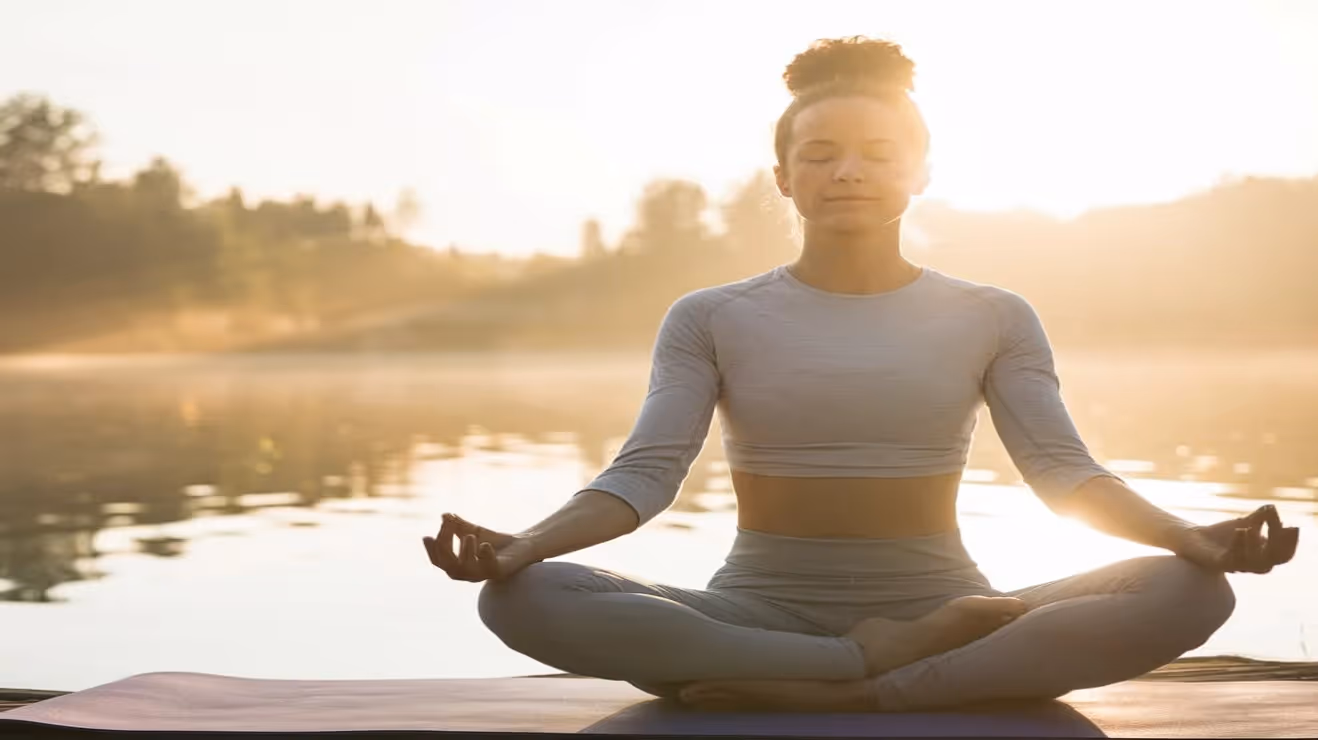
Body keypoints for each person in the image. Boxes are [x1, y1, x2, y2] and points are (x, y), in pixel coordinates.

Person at [422, 36, 1299, 713]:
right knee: (519, 600)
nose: (848, 170)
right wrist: (524, 545)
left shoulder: (992, 313)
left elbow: (1065, 474)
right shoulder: (712, 315)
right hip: (755, 613)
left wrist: (1192, 538)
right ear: (784, 178)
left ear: (920, 173)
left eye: (878, 152)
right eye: (820, 153)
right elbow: (645, 476)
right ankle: (867, 664)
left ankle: (865, 691)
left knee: (1185, 590)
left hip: (952, 602)